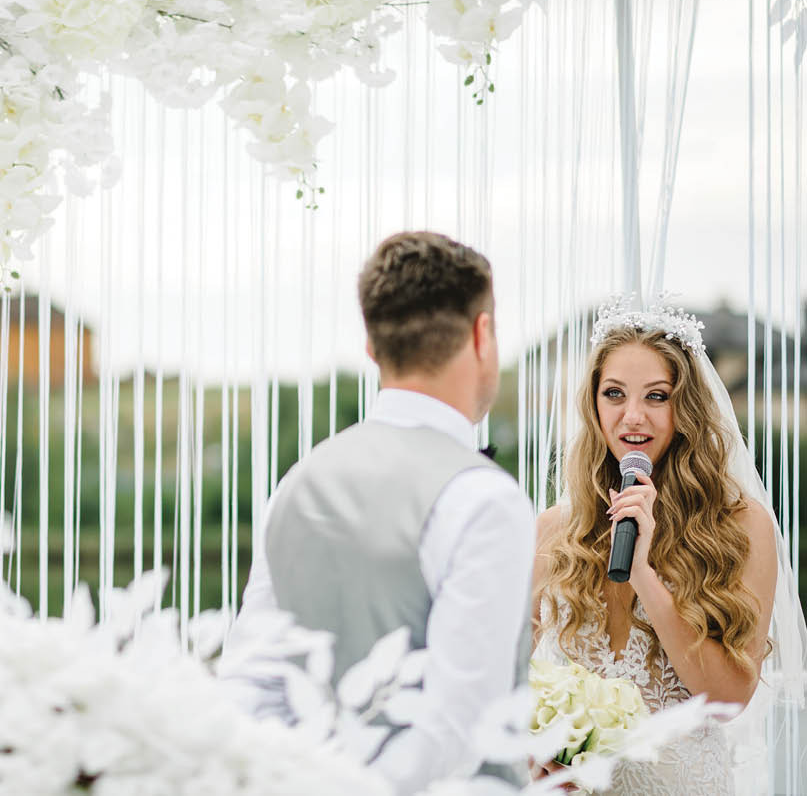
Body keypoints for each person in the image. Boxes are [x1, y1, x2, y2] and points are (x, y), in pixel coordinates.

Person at [219, 231, 535, 795]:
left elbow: (250, 682)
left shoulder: (299, 481)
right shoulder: (486, 499)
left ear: (371, 344)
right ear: (481, 335)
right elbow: (460, 727)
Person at [531, 295, 807, 795]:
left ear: (687, 408)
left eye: (656, 396)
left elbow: (727, 699)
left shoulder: (742, 528)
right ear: (594, 405)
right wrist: (532, 757)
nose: (632, 416)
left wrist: (644, 575)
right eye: (614, 394)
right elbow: (499, 685)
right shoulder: (554, 532)